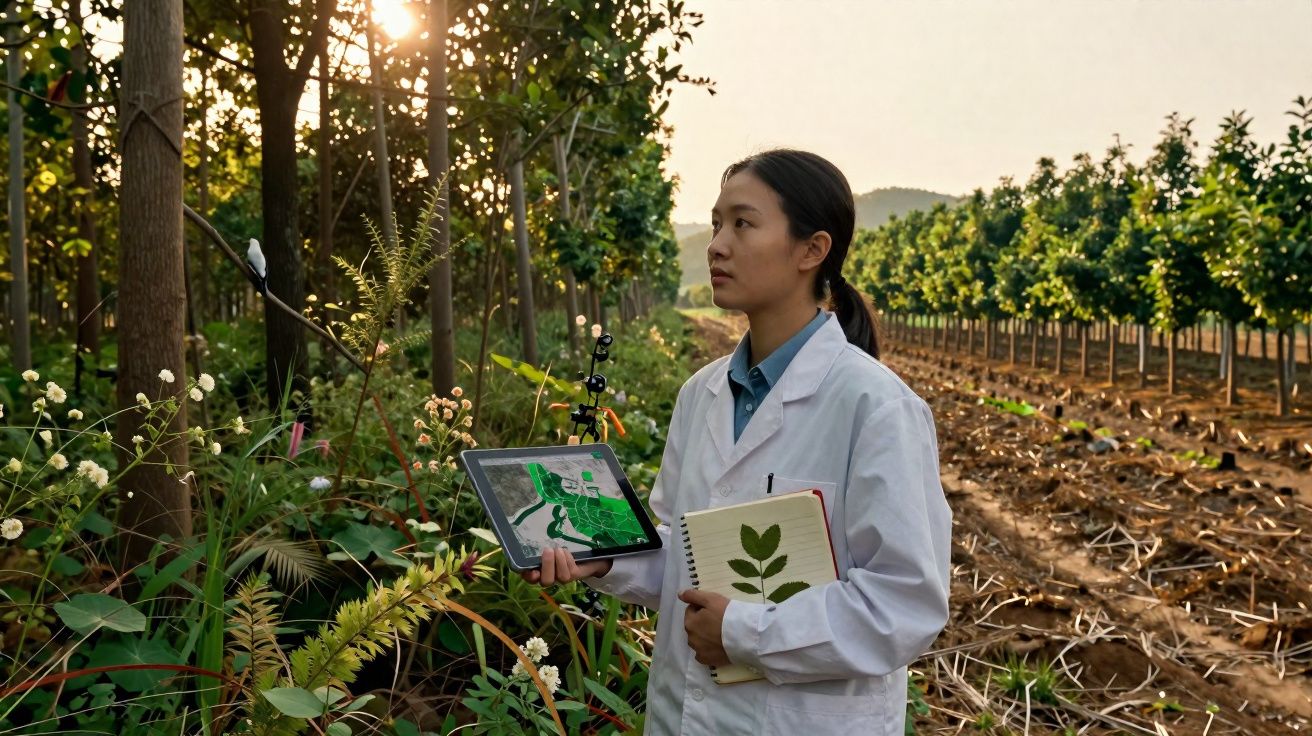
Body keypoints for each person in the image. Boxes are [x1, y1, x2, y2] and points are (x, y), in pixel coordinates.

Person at [522, 149, 952, 735]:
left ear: (811, 250)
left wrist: (746, 634)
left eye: (742, 224)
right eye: (717, 222)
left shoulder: (876, 408)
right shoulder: (701, 394)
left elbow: (905, 605)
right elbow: (684, 551)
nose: (717, 244)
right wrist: (604, 556)